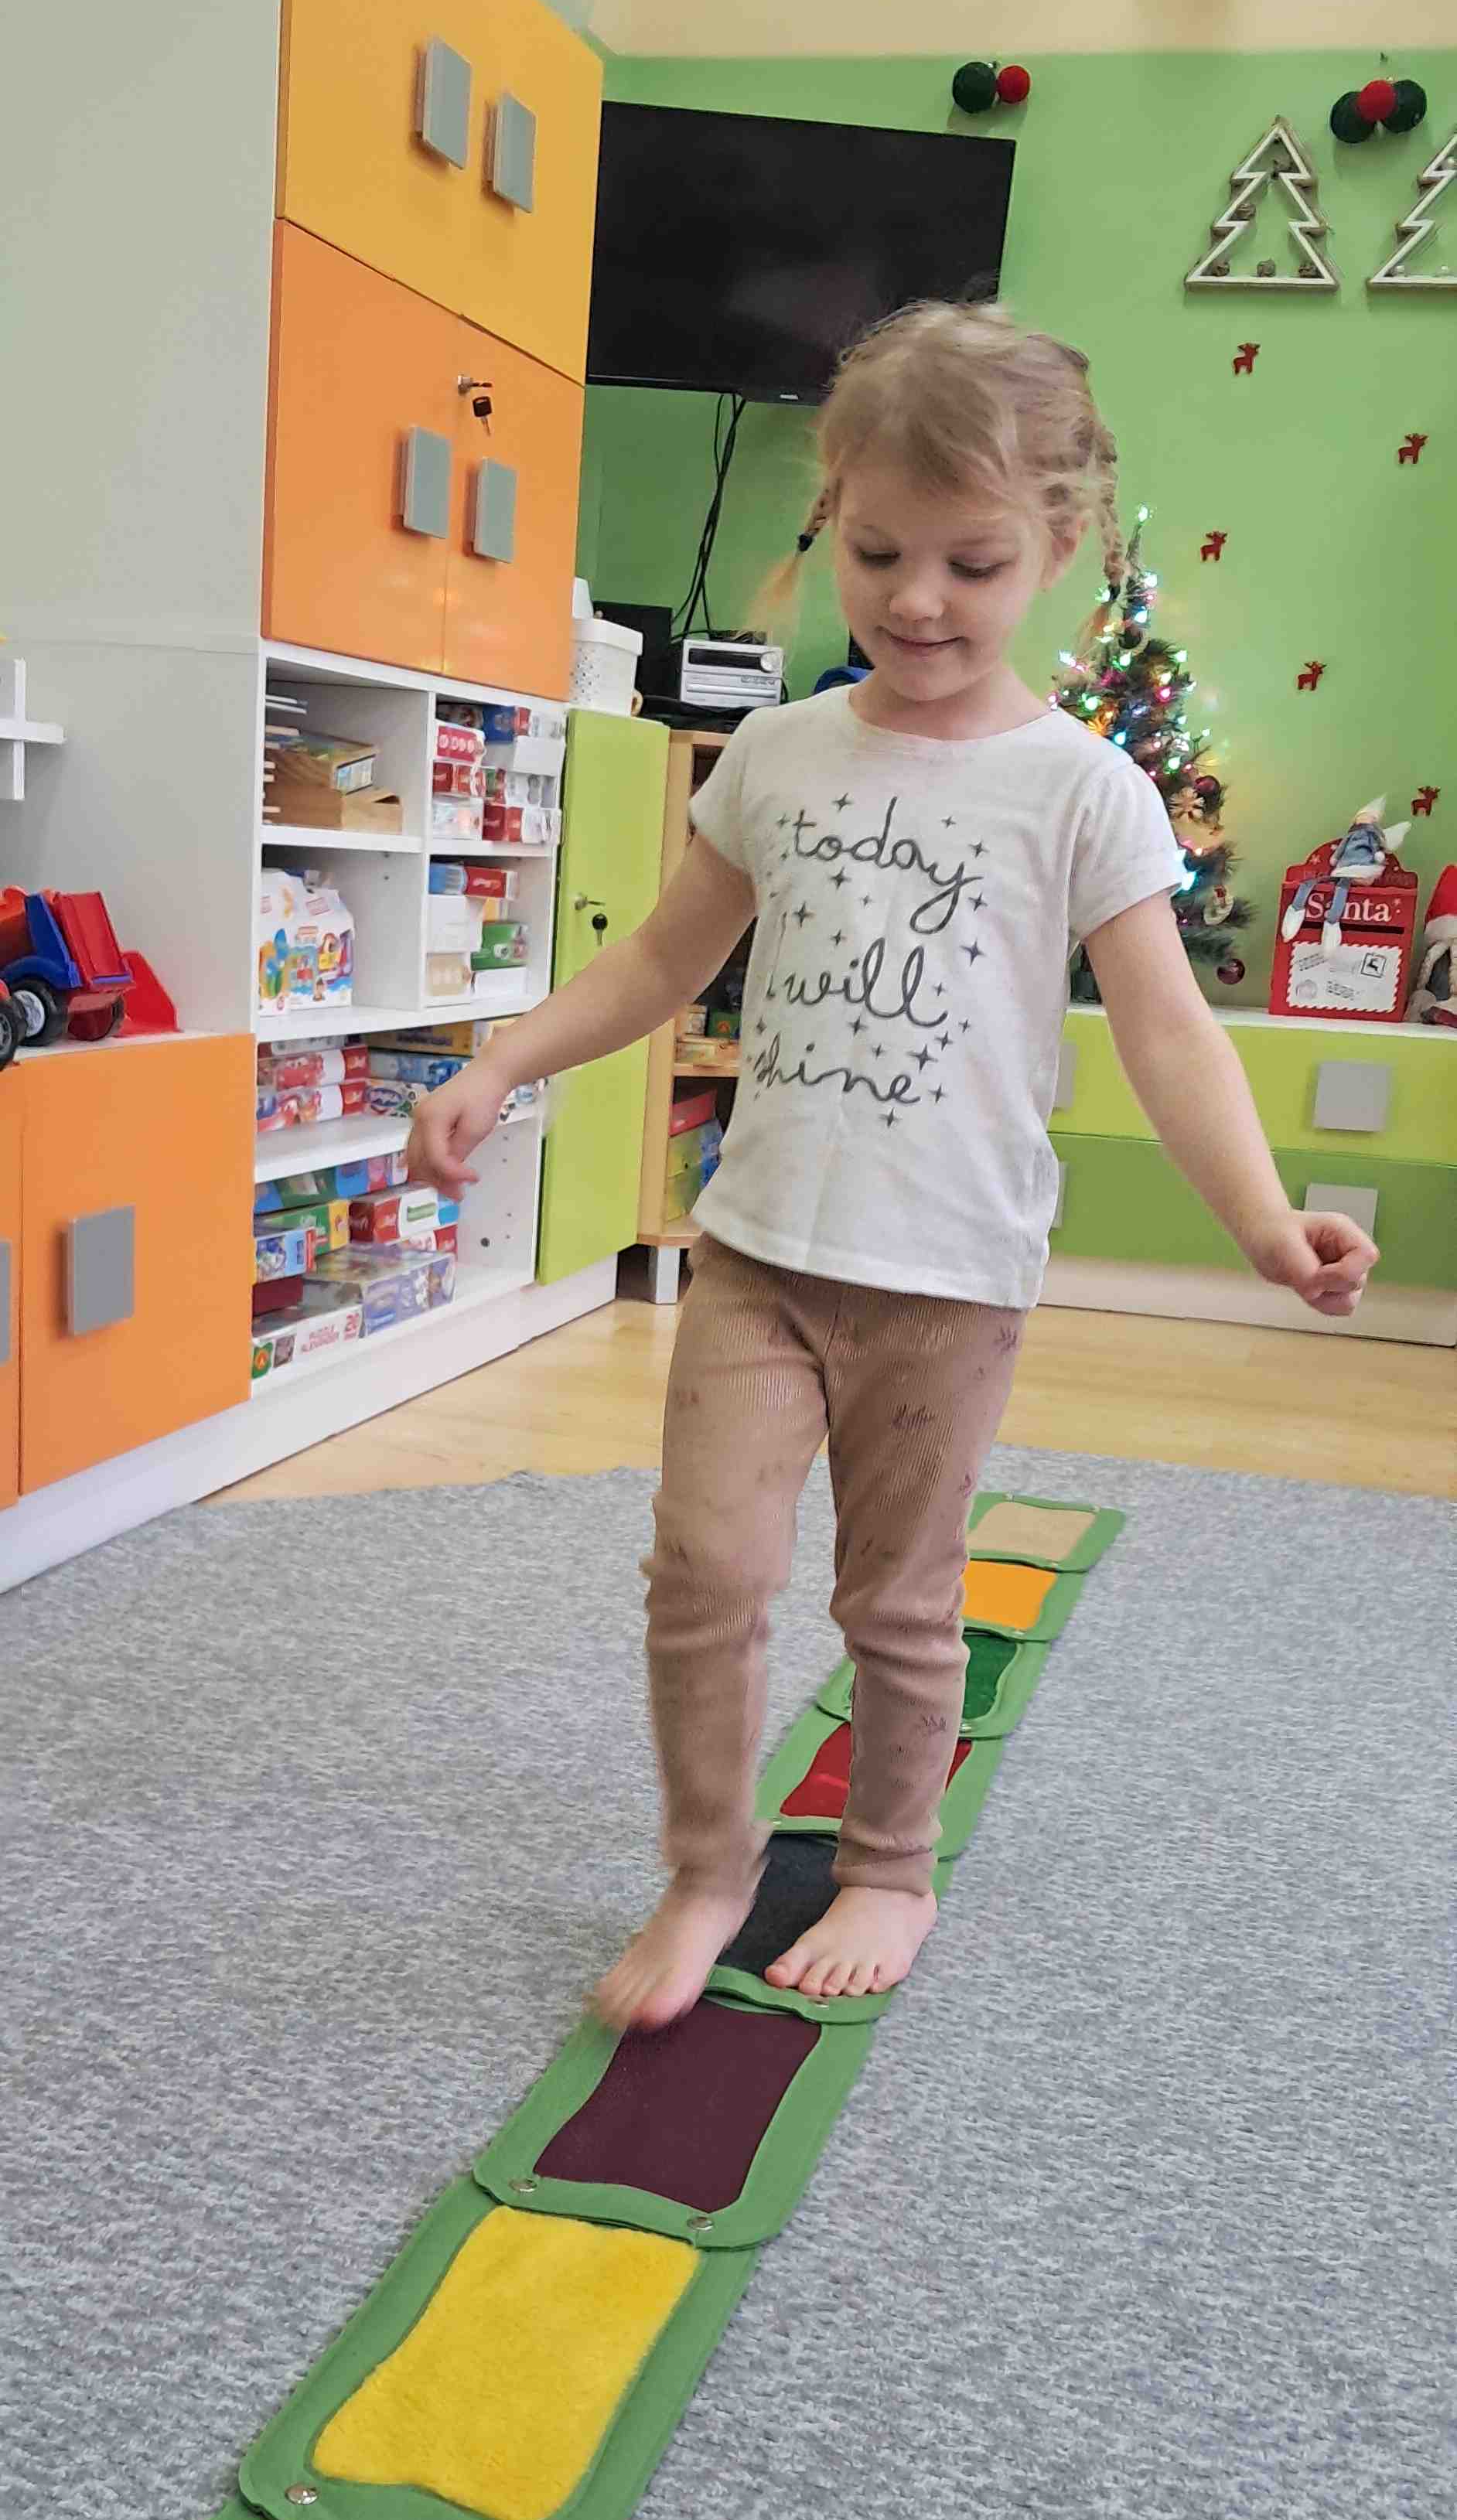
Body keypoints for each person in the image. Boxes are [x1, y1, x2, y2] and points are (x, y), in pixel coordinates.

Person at [408, 303, 1377, 2031]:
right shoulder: (779, 754)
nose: (917, 599)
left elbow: (1169, 1032)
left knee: (901, 1603)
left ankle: (888, 1867)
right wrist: (501, 1060)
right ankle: (709, 1868)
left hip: (949, 1280)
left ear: (1057, 549)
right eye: (876, 554)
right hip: (758, 1260)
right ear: (831, 520)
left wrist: (1258, 1220)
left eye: (972, 563)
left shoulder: (1083, 791)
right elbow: (663, 962)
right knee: (705, 1573)